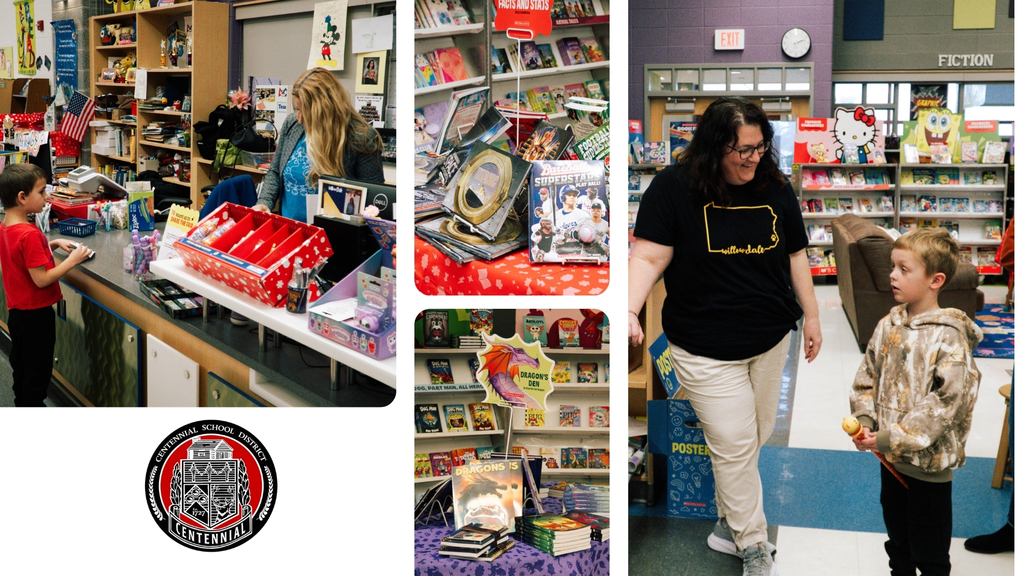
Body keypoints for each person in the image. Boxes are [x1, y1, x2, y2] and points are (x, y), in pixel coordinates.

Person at [627, 97, 821, 576]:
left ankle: (728, 522)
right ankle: (753, 543)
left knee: (752, 438)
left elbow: (796, 255)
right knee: (733, 444)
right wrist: (628, 308)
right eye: (741, 150)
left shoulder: (775, 185)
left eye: (759, 148)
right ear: (713, 147)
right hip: (703, 346)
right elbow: (647, 257)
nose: (752, 159)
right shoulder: (673, 188)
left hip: (770, 338)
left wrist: (812, 318)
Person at [850, 227, 983, 576]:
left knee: (930, 553)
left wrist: (889, 436)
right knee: (898, 545)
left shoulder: (949, 338)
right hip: (890, 461)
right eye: (893, 266)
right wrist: (865, 421)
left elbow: (947, 404)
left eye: (904, 269)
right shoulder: (888, 324)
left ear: (935, 280)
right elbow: (867, 377)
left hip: (929, 470)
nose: (892, 275)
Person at [0, 164, 92, 406]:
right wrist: (72, 260)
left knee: (21, 367)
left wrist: (52, 243)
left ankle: (22, 405)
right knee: (38, 373)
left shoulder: (6, 226)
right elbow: (41, 280)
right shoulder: (29, 233)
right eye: (41, 192)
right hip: (36, 317)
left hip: (17, 314)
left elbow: (21, 257)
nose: (46, 197)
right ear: (22, 197)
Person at [254, 68, 384, 223]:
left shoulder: (362, 138)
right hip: (290, 228)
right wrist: (264, 202)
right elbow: (276, 171)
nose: (300, 119)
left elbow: (373, 199)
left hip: (332, 233)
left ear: (326, 111)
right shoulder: (293, 124)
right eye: (297, 109)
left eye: (306, 112)